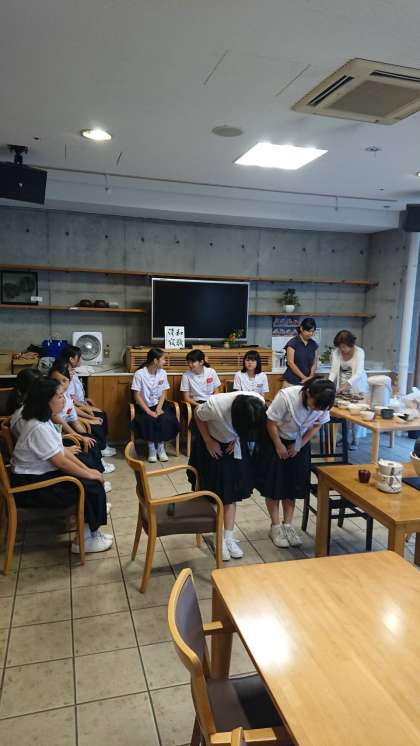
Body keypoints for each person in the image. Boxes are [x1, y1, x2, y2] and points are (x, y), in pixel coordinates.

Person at [10, 378, 112, 553]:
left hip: (39, 474)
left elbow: (61, 451)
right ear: (45, 401)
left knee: (89, 474)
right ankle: (84, 540)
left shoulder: (44, 419)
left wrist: (88, 470)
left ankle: (91, 532)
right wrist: (89, 475)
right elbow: (61, 462)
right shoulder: (37, 426)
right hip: (30, 486)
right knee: (88, 485)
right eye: (59, 396)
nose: (63, 400)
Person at [257, 377, 335, 548]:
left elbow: (317, 425)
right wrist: (278, 445)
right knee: (274, 486)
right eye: (314, 405)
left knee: (292, 485)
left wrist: (299, 445)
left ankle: (288, 525)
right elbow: (270, 422)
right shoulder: (286, 397)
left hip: (299, 442)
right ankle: (275, 527)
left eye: (320, 408)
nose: (315, 409)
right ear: (308, 392)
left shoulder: (323, 403)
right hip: (274, 439)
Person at [189, 391, 266, 561]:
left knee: (231, 493)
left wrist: (238, 438)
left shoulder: (257, 403)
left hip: (233, 446)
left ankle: (228, 537)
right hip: (211, 444)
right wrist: (208, 440)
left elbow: (252, 426)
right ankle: (217, 537)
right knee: (215, 493)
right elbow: (197, 416)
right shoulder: (215, 405)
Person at [57, 345, 116, 458]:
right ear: (71, 359)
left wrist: (86, 404)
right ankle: (102, 447)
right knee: (99, 416)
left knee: (101, 414)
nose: (81, 360)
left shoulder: (71, 373)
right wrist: (87, 411)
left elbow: (72, 403)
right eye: (79, 357)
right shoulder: (64, 379)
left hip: (77, 408)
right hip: (75, 410)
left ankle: (103, 444)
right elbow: (73, 401)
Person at [131, 348, 180, 462]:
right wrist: (148, 411)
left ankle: (161, 448)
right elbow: (137, 396)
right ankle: (152, 448)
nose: (165, 362)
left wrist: (158, 408)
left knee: (165, 418)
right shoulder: (139, 374)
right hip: (144, 406)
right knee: (149, 420)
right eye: (163, 359)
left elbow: (164, 392)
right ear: (155, 360)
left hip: (159, 404)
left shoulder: (162, 373)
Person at [328, 329, 369, 449]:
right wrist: (329, 385)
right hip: (342, 383)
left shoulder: (359, 352)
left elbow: (359, 372)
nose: (342, 349)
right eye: (340, 346)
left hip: (357, 385)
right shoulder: (336, 352)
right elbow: (333, 371)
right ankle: (344, 437)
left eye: (344, 346)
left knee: (356, 413)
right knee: (342, 413)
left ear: (351, 344)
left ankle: (356, 440)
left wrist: (346, 385)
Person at [283, 318, 318, 387]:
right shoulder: (293, 343)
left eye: (313, 331)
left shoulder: (313, 344)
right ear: (301, 328)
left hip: (307, 382)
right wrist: (304, 378)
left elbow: (314, 363)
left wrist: (311, 376)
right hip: (291, 381)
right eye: (308, 331)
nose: (311, 334)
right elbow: (290, 363)